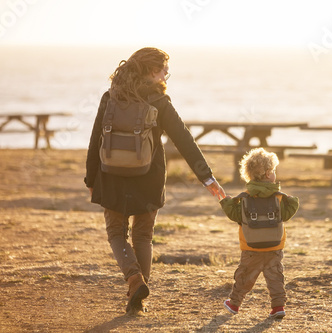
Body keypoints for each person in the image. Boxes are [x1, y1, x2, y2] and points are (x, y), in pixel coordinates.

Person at [84, 47, 226, 314]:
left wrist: (91, 177)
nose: (165, 76)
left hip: (110, 175)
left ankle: (133, 278)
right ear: (151, 72)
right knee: (143, 236)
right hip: (148, 177)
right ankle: (138, 299)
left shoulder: (110, 97)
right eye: (163, 71)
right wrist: (207, 178)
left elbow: (95, 140)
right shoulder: (159, 102)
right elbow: (184, 140)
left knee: (116, 233)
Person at [219, 148, 299, 319]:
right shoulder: (279, 198)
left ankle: (234, 304)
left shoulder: (244, 198)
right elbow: (286, 215)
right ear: (268, 174)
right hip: (274, 247)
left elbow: (235, 216)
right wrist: (293, 202)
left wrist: (226, 203)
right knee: (275, 278)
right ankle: (278, 307)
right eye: (274, 171)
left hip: (250, 248)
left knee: (245, 277)